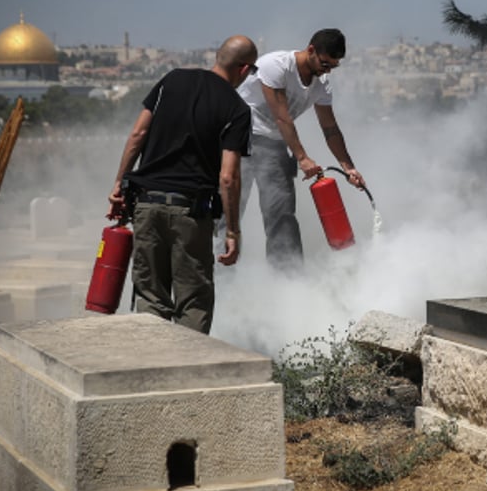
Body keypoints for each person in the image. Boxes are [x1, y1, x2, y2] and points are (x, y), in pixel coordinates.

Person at [106, 34, 258, 333]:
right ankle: (187, 375)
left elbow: (138, 135)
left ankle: (154, 370)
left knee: (150, 297)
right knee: (193, 300)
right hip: (190, 213)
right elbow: (228, 177)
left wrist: (118, 183)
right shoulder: (236, 108)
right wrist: (233, 231)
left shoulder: (171, 80)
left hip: (146, 204)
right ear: (243, 69)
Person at [237, 28, 366, 269]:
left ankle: (289, 284)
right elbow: (282, 117)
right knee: (228, 215)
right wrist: (303, 158)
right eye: (325, 63)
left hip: (274, 147)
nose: (326, 71)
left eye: (333, 67)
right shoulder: (276, 66)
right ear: (311, 50)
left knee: (282, 217)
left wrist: (349, 168)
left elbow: (330, 129)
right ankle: (221, 284)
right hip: (239, 140)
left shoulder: (321, 83)